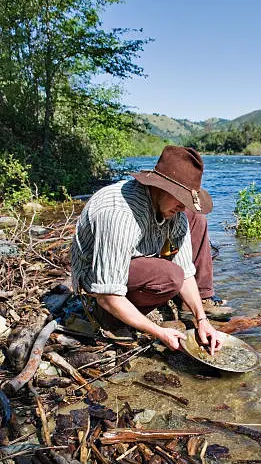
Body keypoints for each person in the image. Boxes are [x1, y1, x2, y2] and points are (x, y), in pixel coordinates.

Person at [71, 145, 230, 355]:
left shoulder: (174, 211)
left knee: (194, 224)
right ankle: (106, 319)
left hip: (134, 259)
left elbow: (187, 271)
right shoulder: (120, 213)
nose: (183, 207)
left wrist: (202, 320)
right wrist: (158, 332)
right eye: (180, 199)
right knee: (171, 276)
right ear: (160, 187)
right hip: (96, 284)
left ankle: (180, 301)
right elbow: (106, 295)